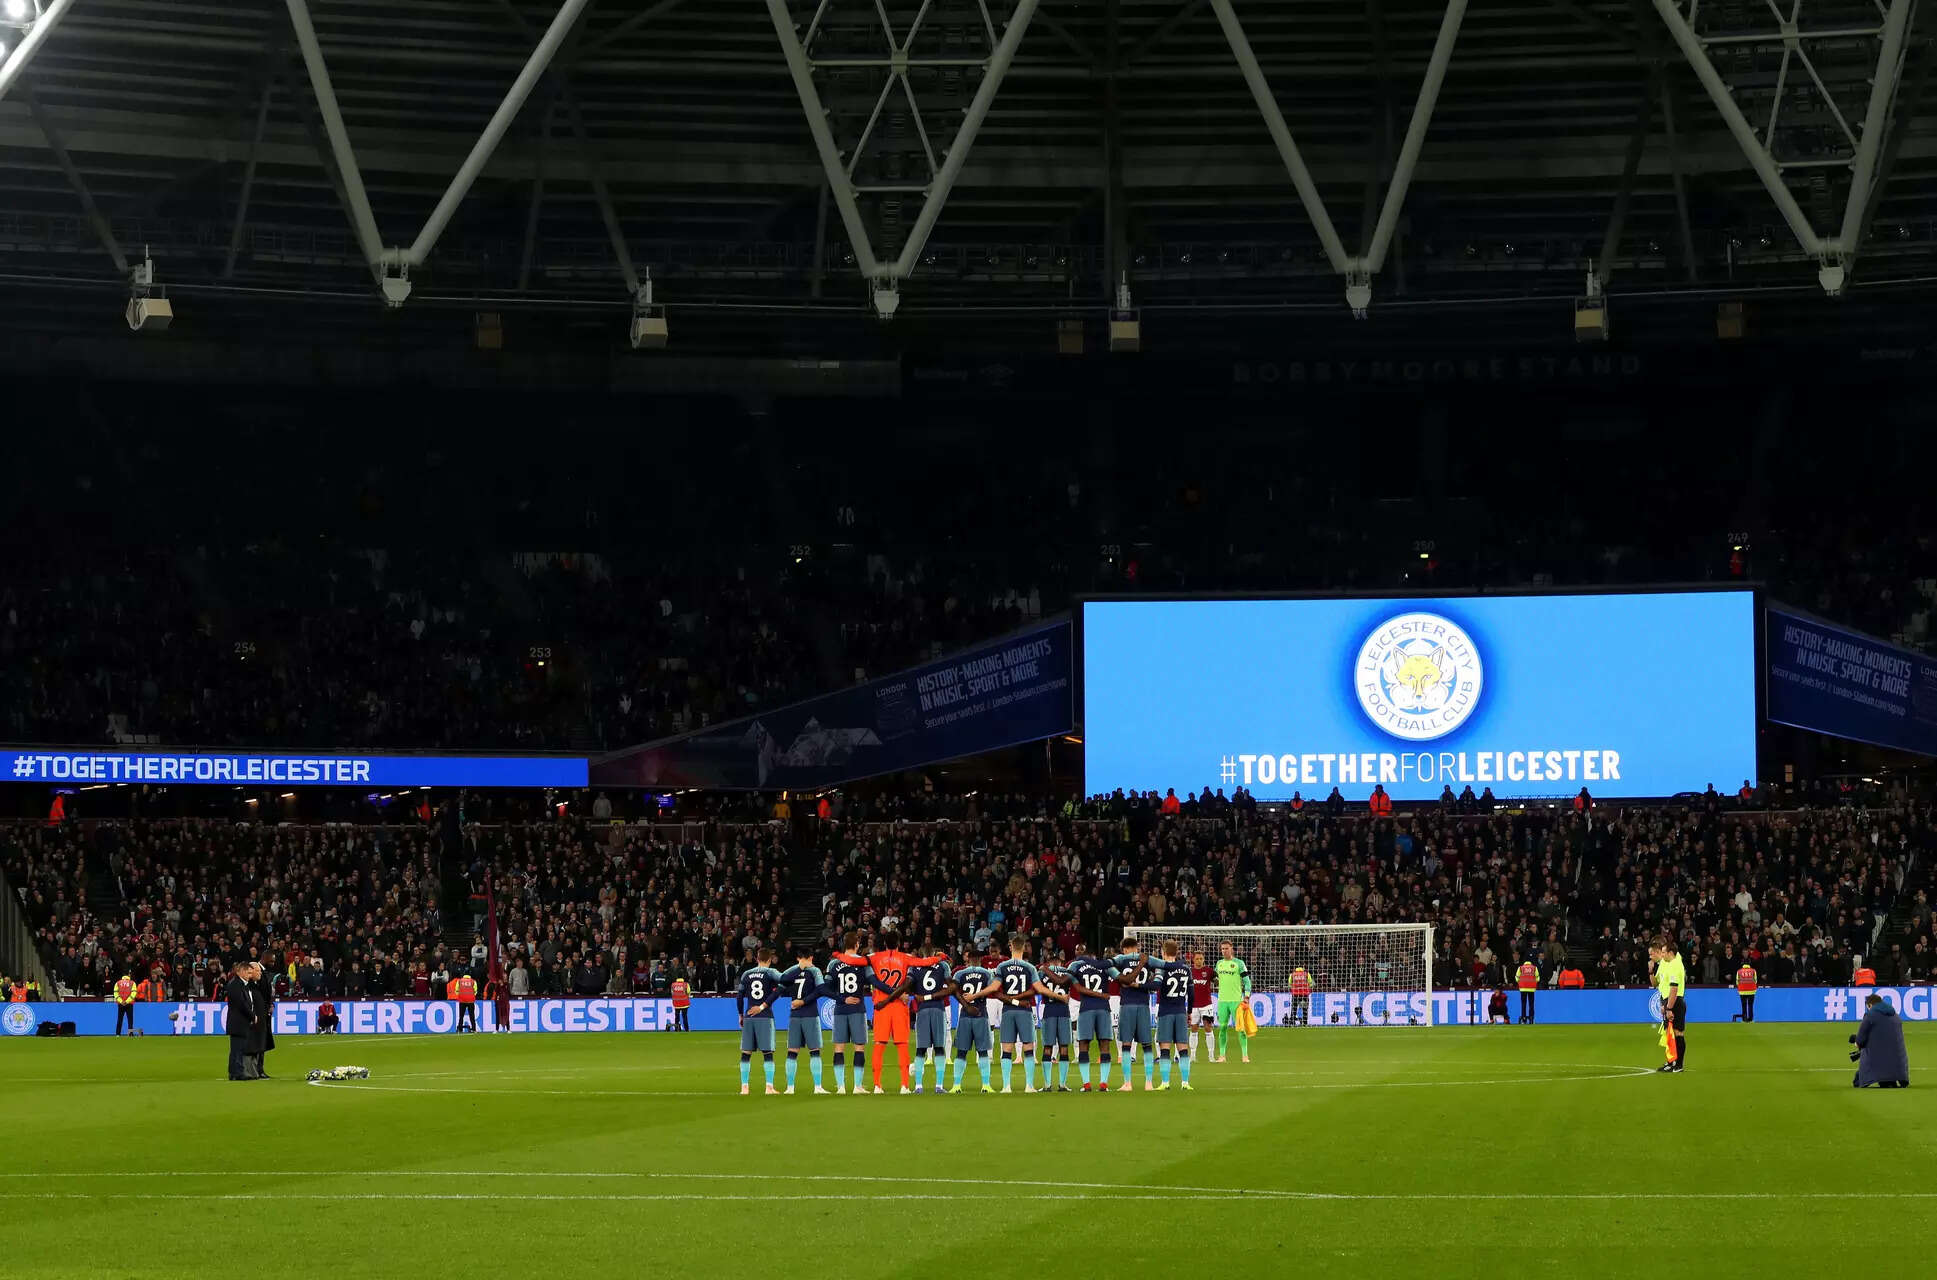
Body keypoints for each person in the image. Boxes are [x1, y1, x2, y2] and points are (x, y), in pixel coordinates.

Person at [991, 937, 1051, 1094]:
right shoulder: (1030, 967)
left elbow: (995, 989)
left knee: (1007, 1048)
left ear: (1010, 947)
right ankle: (1029, 1086)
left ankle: (1006, 1086)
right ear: (1024, 948)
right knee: (1028, 1047)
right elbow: (1038, 989)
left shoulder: (1002, 966)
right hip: (1024, 1010)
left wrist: (1011, 1000)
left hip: (1008, 1010)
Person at [865, 931, 917, 1094]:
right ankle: (904, 1086)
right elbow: (911, 980)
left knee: (879, 1045)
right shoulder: (907, 958)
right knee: (902, 1045)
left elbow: (871, 978)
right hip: (900, 1006)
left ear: (884, 944)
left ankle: (877, 1086)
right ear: (899, 943)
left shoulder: (874, 957)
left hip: (881, 1006)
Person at [824, 934, 876, 1095]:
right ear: (857, 944)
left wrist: (842, 998)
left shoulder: (834, 963)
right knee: (859, 1047)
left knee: (839, 1048)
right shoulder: (862, 962)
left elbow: (825, 987)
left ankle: (840, 1087)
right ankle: (857, 1086)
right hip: (858, 1009)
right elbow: (873, 981)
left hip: (840, 1009)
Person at [775, 945, 829, 1095]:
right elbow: (820, 991)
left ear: (798, 958)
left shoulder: (792, 971)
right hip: (810, 1014)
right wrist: (804, 1001)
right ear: (811, 957)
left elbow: (782, 978)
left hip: (795, 1015)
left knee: (792, 1052)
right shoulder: (815, 970)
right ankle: (817, 1087)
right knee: (815, 1051)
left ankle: (790, 1088)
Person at [736, 947, 785, 1096]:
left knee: (746, 1053)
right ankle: (769, 1087)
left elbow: (739, 996)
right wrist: (764, 1005)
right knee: (768, 1053)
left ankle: (744, 1087)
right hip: (765, 1016)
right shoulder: (770, 972)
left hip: (750, 1015)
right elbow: (782, 987)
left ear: (757, 959)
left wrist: (740, 1015)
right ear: (769, 960)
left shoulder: (747, 974)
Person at [903, 949, 952, 1095]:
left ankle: (918, 1086)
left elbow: (907, 984)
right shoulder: (943, 965)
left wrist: (912, 994)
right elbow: (951, 986)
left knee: (920, 1049)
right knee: (939, 1048)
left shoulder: (914, 967)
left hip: (922, 1010)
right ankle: (939, 1085)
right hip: (938, 1008)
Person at [1110, 940, 1158, 1092]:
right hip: (1143, 1005)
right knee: (1147, 1045)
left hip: (1127, 1005)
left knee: (1126, 1044)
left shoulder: (1120, 961)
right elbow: (1156, 983)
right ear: (1136, 948)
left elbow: (1121, 980)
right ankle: (1149, 1083)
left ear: (1124, 949)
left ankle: (1127, 1083)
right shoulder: (1147, 961)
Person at [1067, 945, 1115, 1091]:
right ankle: (1103, 1084)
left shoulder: (1076, 966)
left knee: (1083, 1043)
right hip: (1103, 1008)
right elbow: (1118, 977)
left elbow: (1077, 987)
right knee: (1104, 1044)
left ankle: (1086, 1084)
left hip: (1086, 1007)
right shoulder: (1105, 967)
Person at [947, 956, 998, 1094]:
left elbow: (952, 989)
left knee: (961, 1052)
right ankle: (986, 1086)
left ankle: (956, 1086)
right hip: (981, 1014)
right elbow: (993, 989)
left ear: (968, 961)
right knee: (982, 1052)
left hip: (965, 1015)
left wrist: (965, 1002)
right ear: (980, 961)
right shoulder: (987, 973)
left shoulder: (960, 973)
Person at [1154, 941, 1196, 1092]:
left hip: (1165, 1011)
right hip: (1180, 1011)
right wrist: (1189, 1012)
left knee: (1165, 1048)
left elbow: (1156, 986)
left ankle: (1165, 1082)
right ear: (1176, 952)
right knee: (1183, 1048)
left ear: (1163, 953)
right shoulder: (1186, 969)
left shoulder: (1162, 968)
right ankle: (1185, 1082)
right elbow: (1191, 994)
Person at [1035, 950, 1076, 1093]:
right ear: (1060, 961)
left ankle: (1047, 1085)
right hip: (1064, 1011)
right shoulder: (1068, 972)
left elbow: (1035, 988)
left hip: (1049, 1010)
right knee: (1063, 1047)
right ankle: (1062, 1085)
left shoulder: (1041, 973)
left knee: (1048, 1047)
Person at [1852, 994, 1909, 1088]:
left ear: (1870, 1005)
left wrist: (1856, 1042)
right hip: (1898, 1061)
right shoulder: (1895, 1015)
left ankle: (1868, 1078)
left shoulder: (1870, 1016)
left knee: (1857, 1080)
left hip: (1877, 1059)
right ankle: (1890, 1080)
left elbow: (1860, 1040)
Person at [1652, 936, 1688, 1073]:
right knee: (1671, 1034)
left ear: (1670, 953)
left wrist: (1669, 1008)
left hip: (1676, 1002)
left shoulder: (1675, 965)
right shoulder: (1672, 965)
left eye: (1664, 952)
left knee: (1678, 1033)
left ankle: (1678, 1065)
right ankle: (1671, 1062)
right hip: (1673, 1001)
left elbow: (1674, 989)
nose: (1662, 955)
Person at [1214, 941, 1252, 1064]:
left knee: (1240, 1029)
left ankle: (1245, 1056)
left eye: (1226, 948)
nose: (1224, 951)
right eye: (1222, 949)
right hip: (1222, 1001)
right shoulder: (1219, 964)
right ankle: (1222, 1056)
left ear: (1232, 949)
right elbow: (1215, 979)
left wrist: (1246, 997)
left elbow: (1247, 982)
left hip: (1236, 1001)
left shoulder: (1239, 963)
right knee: (1223, 1027)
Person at [224, 963, 259, 1081]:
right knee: (237, 1048)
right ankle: (237, 1072)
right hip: (238, 1021)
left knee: (237, 1048)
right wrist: (252, 1015)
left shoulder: (240, 984)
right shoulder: (235, 984)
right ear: (241, 972)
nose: (250, 975)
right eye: (248, 973)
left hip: (240, 1021)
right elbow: (241, 1004)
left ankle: (234, 1072)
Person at [1189, 951, 1218, 1055]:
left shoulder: (1209, 971)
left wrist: (1218, 980)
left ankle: (1211, 1055)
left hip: (1206, 1005)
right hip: (1193, 1005)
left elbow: (1217, 982)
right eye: (1197, 959)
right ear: (1193, 960)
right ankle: (1192, 1055)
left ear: (1203, 959)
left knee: (1208, 1027)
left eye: (1201, 959)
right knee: (1194, 1028)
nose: (1199, 961)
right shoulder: (1189, 971)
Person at [251, 962, 276, 1077]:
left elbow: (267, 997)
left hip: (263, 1017)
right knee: (255, 1044)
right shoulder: (249, 985)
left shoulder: (260, 983)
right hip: (254, 1018)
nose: (260, 973)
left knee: (262, 1043)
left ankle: (259, 1069)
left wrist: (270, 1005)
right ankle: (255, 1070)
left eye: (260, 971)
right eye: (258, 971)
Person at [1288, 963, 1313, 1029]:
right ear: (1303, 967)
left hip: (1295, 994)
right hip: (1304, 994)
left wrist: (1294, 988)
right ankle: (1305, 1023)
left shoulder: (1292, 974)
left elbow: (1290, 983)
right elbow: (1310, 983)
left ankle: (1292, 1022)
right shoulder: (1306, 974)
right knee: (1304, 1009)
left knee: (1294, 1009)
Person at [112, 971, 137, 1036]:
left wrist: (121, 1001)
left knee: (120, 1019)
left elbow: (115, 993)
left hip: (121, 1004)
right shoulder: (132, 983)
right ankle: (130, 1034)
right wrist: (127, 1001)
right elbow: (134, 993)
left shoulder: (118, 983)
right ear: (129, 975)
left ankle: (117, 1034)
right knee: (130, 1020)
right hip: (129, 1004)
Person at [1516, 959, 1539, 1024]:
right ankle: (1531, 1018)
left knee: (1523, 1004)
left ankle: (1524, 1018)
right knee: (1531, 1004)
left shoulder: (1520, 968)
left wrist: (1520, 983)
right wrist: (1533, 983)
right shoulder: (1534, 968)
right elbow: (1538, 978)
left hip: (1523, 989)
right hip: (1531, 989)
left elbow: (1517, 977)